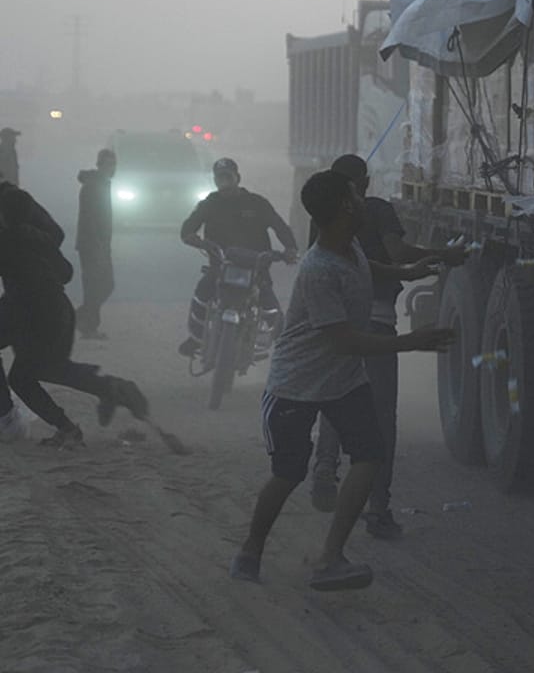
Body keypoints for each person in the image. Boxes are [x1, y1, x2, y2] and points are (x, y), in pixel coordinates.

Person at [229, 170, 452, 591]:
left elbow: (372, 268)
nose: (364, 199)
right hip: (296, 384)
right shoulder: (319, 269)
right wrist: (413, 341)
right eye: (356, 193)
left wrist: (409, 271)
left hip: (343, 382)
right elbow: (344, 340)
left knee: (370, 454)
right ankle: (251, 548)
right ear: (346, 207)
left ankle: (331, 557)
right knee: (288, 473)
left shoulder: (348, 247)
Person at [309, 154, 468, 539]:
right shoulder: (377, 210)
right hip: (378, 322)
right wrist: (443, 256)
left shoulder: (321, 220)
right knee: (382, 420)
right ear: (362, 183)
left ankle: (325, 462)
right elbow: (395, 253)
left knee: (335, 397)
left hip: (337, 323)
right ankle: (379, 511)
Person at [0, 150, 147, 449]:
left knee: (18, 366)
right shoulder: (2, 208)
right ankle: (105, 392)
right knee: (40, 368)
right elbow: (34, 241)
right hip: (39, 300)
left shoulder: (4, 214)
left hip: (31, 303)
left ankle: (23, 423)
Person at [178, 157, 299, 358]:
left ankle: (289, 351)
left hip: (256, 268)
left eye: (228, 176)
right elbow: (188, 229)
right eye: (220, 178)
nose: (224, 181)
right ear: (215, 180)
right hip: (221, 266)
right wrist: (193, 239)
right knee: (201, 294)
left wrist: (290, 249)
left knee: (271, 309)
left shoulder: (257, 203)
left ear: (237, 178)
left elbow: (280, 227)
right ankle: (197, 338)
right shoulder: (210, 203)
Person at [75, 148, 117, 339]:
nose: (112, 168)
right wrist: (98, 245)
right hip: (92, 244)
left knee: (100, 285)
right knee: (99, 285)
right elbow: (91, 219)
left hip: (98, 243)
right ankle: (85, 323)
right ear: (100, 165)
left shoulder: (100, 184)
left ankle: (83, 320)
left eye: (114, 164)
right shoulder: (94, 186)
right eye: (109, 164)